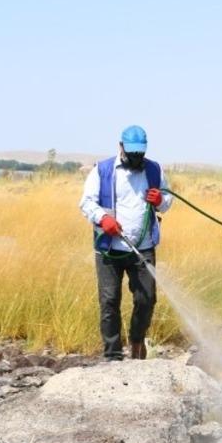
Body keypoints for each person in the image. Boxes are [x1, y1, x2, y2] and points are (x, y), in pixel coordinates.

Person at [79, 125, 173, 361]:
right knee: (109, 300)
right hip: (110, 249)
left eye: (140, 154)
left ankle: (137, 342)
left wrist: (161, 199)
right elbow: (86, 203)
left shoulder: (155, 170)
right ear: (121, 147)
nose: (136, 158)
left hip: (143, 248)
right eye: (132, 153)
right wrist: (103, 218)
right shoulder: (103, 170)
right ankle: (112, 354)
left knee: (146, 299)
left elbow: (167, 201)